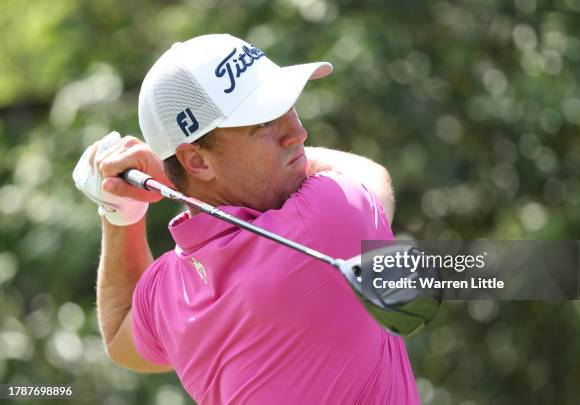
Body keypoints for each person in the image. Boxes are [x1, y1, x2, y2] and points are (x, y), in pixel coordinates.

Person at [73, 34, 420, 404]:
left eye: (289, 107)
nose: (298, 133)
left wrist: (120, 211)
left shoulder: (170, 292)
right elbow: (370, 174)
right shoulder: (324, 219)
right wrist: (165, 169)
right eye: (266, 122)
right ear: (198, 162)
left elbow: (120, 337)